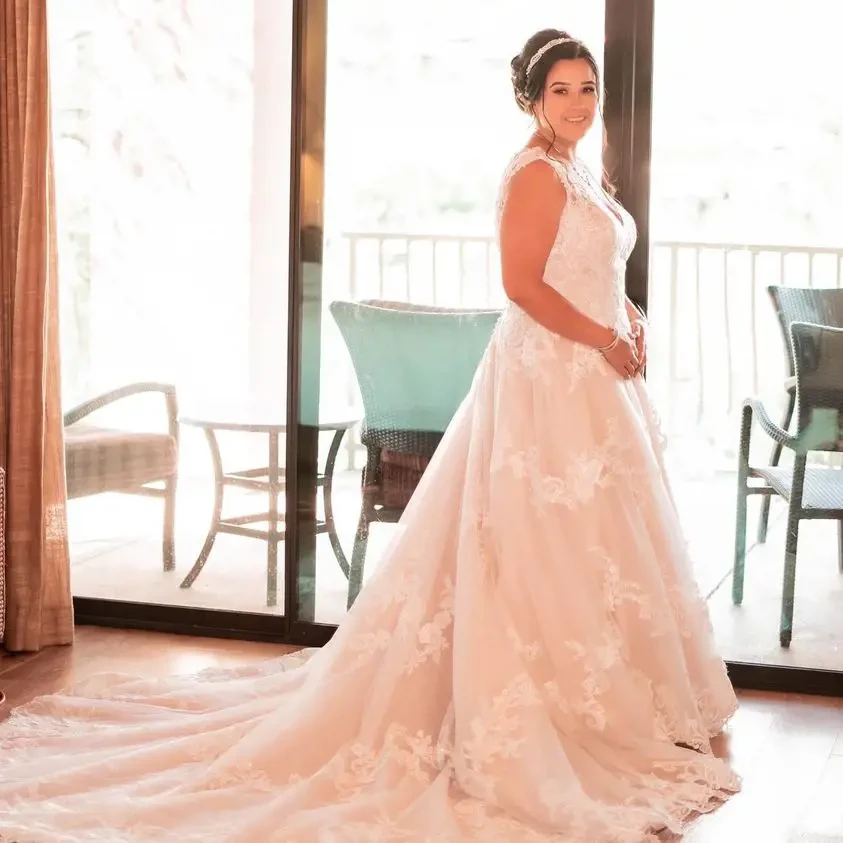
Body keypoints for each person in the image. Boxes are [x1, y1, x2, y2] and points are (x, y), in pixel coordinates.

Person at [0, 28, 740, 843]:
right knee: (539, 544)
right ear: (531, 98)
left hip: (593, 384)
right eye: (560, 89)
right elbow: (521, 286)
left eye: (587, 88)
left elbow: (592, 270)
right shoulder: (533, 171)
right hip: (548, 381)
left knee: (595, 543)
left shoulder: (578, 169)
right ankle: (544, 710)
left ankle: (611, 696)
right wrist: (602, 337)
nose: (577, 103)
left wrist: (627, 319)